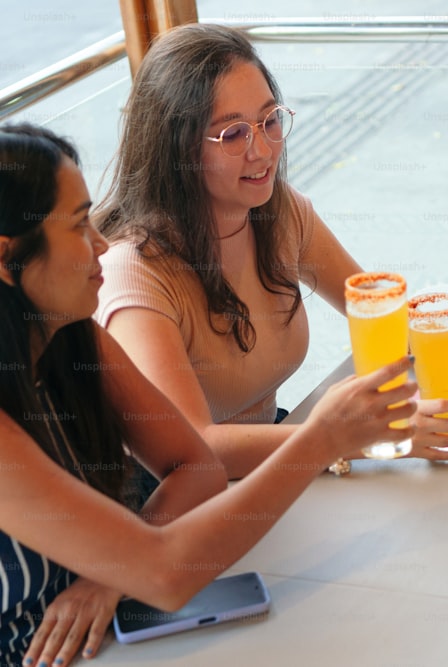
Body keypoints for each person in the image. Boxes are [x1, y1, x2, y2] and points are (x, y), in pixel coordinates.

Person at [0, 123, 417, 667]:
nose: (101, 242)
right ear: (8, 256)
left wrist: (113, 570)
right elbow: (166, 573)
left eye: (271, 121)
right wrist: (322, 438)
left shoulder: (70, 332)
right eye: (79, 225)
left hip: (120, 633)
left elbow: (198, 467)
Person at [94, 23, 448, 480]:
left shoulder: (275, 211)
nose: (262, 150)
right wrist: (360, 437)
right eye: (232, 135)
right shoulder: (134, 273)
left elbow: (371, 304)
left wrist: (436, 345)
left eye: (269, 121)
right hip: (172, 504)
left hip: (271, 465)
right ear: (175, 148)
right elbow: (193, 449)